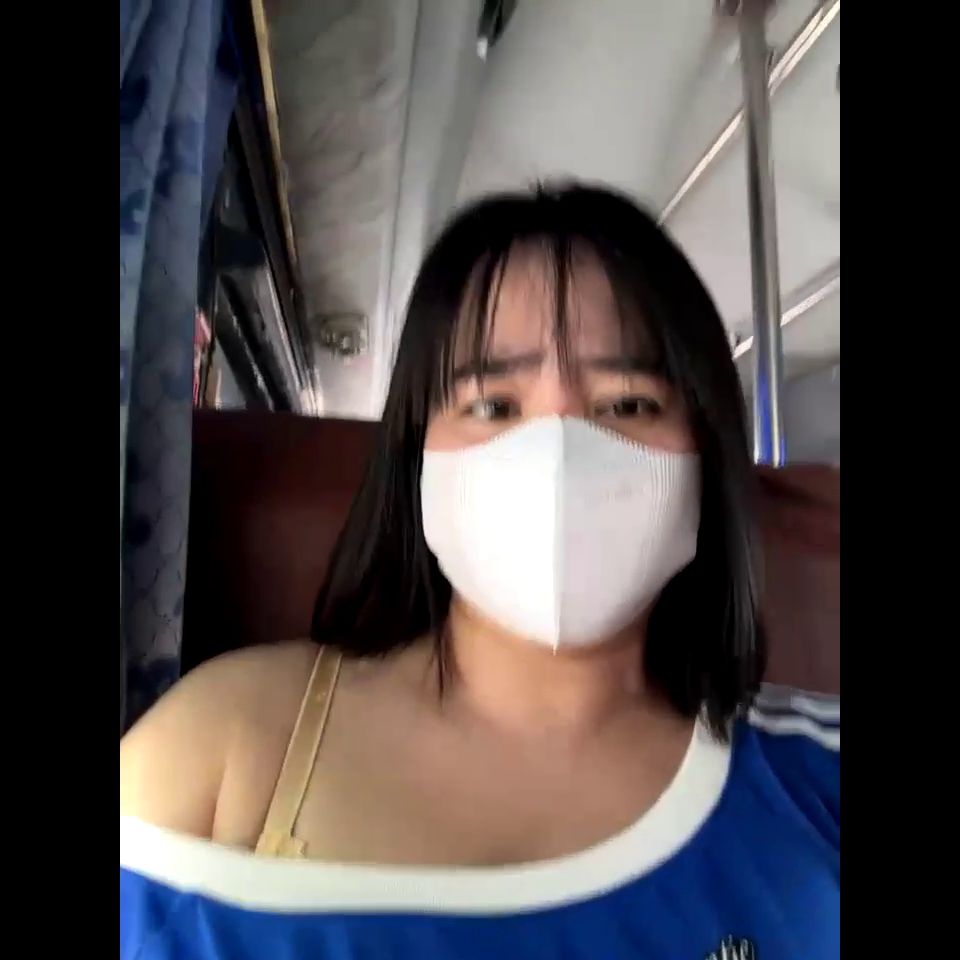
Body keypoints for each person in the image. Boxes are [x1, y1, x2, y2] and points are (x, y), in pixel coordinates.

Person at [120, 183, 839, 960]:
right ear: (416, 460)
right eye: (493, 406)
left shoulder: (816, 771)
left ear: (708, 461)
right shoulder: (222, 746)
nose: (559, 454)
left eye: (628, 404)